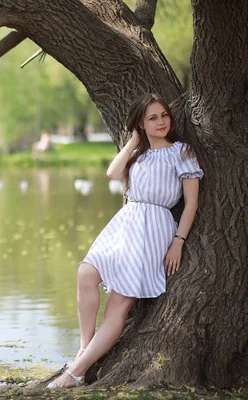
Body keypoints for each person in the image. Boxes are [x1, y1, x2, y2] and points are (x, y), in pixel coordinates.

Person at [47, 93, 203, 389]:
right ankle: (85, 346)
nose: (161, 122)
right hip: (125, 222)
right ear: (141, 125)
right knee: (86, 272)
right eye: (152, 118)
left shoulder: (182, 152)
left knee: (118, 303)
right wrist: (133, 141)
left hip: (154, 227)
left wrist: (178, 242)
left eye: (164, 115)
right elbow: (113, 172)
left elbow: (191, 205)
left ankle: (76, 373)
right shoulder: (139, 154)